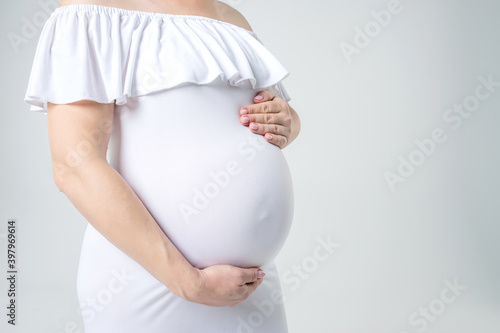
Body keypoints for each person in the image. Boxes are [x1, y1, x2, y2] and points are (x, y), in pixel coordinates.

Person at [24, 0, 300, 331]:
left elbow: (272, 120)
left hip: (248, 287)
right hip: (149, 279)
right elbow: (75, 166)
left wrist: (288, 121)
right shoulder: (92, 10)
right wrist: (189, 282)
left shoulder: (233, 20)